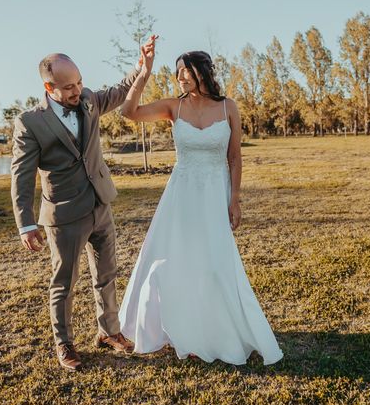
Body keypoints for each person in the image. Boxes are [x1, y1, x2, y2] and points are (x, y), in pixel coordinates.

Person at [118, 46, 283, 365]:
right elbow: (129, 112)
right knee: (177, 259)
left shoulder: (228, 108)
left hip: (214, 193)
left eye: (186, 70)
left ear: (202, 73)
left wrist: (234, 199)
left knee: (214, 262)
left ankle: (216, 330)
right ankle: (181, 329)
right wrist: (144, 72)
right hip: (181, 195)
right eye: (177, 70)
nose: (180, 76)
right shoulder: (172, 107)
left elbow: (234, 157)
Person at [10, 39, 155, 372]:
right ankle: (64, 344)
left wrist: (141, 66)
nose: (77, 90)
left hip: (100, 204)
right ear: (49, 87)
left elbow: (119, 91)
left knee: (106, 274)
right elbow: (22, 175)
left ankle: (109, 332)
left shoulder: (89, 99)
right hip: (63, 216)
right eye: (69, 87)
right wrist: (26, 223)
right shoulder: (30, 122)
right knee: (64, 283)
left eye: (79, 82)